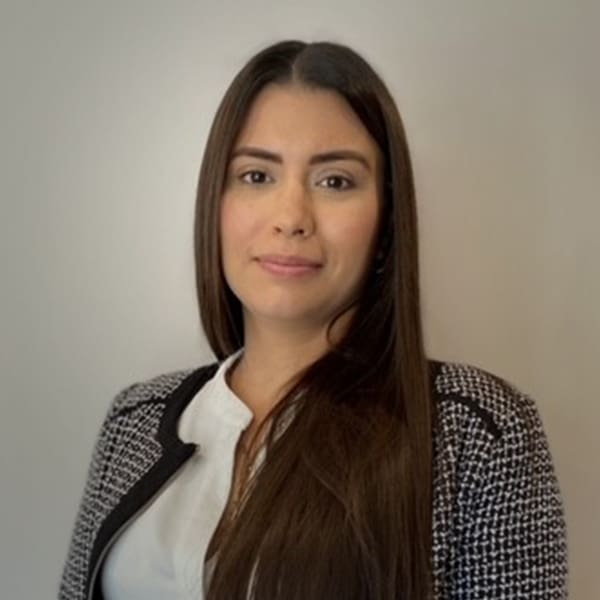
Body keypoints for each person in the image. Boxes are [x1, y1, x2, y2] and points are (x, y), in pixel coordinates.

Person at [59, 40, 567, 600]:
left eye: (335, 181)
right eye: (256, 176)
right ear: (216, 205)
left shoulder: (473, 431)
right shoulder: (133, 420)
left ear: (385, 223)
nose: (291, 217)